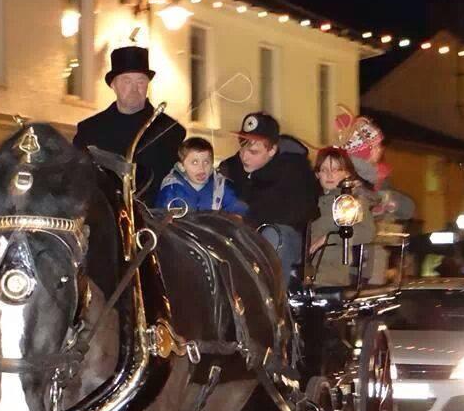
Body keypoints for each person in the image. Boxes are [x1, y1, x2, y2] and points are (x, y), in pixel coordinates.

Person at [219, 112, 319, 286]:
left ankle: (272, 301)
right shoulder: (231, 168)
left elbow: (296, 213)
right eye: (242, 148)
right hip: (246, 234)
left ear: (272, 150)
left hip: (288, 239)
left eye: (253, 152)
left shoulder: (296, 172)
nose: (244, 156)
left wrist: (246, 217)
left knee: (274, 235)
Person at [74, 46, 187, 199]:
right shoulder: (89, 130)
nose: (134, 89)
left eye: (140, 81)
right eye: (127, 81)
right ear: (113, 85)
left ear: (148, 84)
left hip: (153, 219)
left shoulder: (170, 131)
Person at [307, 147, 376, 286]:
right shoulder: (310, 198)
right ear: (317, 174)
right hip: (305, 271)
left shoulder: (351, 201)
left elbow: (367, 232)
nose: (330, 175)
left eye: (336, 170)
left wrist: (330, 238)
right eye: (324, 170)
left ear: (346, 173)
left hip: (331, 273)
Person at [155, 137, 247, 215]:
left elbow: (238, 211)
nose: (201, 168)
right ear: (182, 166)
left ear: (212, 164)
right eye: (194, 162)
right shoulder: (172, 188)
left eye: (206, 162)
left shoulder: (221, 187)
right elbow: (162, 219)